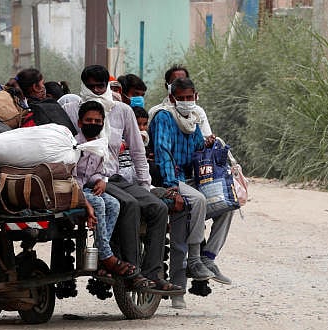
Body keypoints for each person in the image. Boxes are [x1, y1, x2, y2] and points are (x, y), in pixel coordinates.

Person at [62, 65, 181, 293]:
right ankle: (132, 272)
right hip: (89, 181)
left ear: (108, 85)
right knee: (129, 205)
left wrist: (145, 185)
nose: (96, 90)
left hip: (114, 177)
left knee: (157, 207)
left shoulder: (122, 110)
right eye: (91, 86)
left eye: (100, 85)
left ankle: (154, 272)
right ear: (83, 85)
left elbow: (137, 152)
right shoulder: (72, 108)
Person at [149, 77, 232, 309]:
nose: (186, 102)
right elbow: (163, 152)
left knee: (227, 203)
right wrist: (172, 186)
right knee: (196, 200)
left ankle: (208, 257)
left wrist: (207, 145)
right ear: (173, 98)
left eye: (190, 97)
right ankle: (193, 260)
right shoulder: (165, 117)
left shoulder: (194, 119)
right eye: (182, 98)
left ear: (196, 96)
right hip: (171, 178)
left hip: (190, 177)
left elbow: (196, 149)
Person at [74, 100, 137, 277]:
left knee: (114, 204)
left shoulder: (100, 146)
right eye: (88, 121)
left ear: (102, 123)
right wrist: (86, 203)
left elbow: (98, 172)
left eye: (97, 121)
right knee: (99, 204)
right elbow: (71, 178)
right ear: (80, 123)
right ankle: (107, 256)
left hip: (89, 188)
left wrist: (102, 180)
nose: (93, 125)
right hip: (75, 191)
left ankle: (101, 252)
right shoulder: (74, 145)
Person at [6, 68, 77, 134]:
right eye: (42, 83)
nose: (44, 86)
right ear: (35, 87)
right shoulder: (49, 106)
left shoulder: (18, 107)